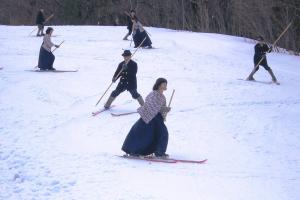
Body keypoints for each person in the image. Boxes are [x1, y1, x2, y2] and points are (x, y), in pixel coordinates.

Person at [122, 78, 171, 158]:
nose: (165, 85)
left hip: (157, 119)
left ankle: (160, 152)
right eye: (164, 84)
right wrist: (163, 109)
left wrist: (165, 111)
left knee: (163, 133)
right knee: (143, 135)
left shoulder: (163, 97)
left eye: (166, 84)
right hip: (148, 118)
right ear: (159, 84)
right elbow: (150, 106)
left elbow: (162, 108)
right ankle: (134, 151)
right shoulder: (153, 94)